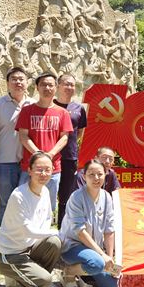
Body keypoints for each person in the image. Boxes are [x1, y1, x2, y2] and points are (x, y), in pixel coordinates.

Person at [0, 151, 63, 287]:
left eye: (47, 169)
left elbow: (45, 224)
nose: (43, 173)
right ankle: (14, 277)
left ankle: (35, 276)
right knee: (45, 280)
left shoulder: (45, 191)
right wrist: (56, 232)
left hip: (29, 248)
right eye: (39, 169)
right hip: (9, 254)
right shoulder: (19, 196)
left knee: (54, 242)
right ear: (29, 171)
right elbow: (28, 231)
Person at [16, 72, 73, 212]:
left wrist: (50, 155)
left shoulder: (62, 112)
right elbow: (23, 136)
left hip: (53, 168)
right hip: (29, 167)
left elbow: (64, 138)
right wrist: (39, 155)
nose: (47, 88)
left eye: (50, 85)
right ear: (37, 88)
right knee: (24, 206)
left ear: (56, 87)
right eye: (43, 85)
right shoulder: (27, 110)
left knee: (48, 208)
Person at [60, 159, 118, 287]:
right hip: (73, 246)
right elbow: (80, 232)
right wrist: (102, 255)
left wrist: (109, 259)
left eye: (100, 174)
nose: (96, 178)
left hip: (94, 249)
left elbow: (109, 230)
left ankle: (84, 270)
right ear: (84, 176)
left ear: (105, 175)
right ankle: (68, 273)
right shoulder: (76, 197)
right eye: (91, 174)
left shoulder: (106, 197)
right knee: (97, 264)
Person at [0, 67, 36, 227]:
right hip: (6, 161)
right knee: (6, 202)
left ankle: (22, 237)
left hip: (29, 163)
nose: (18, 82)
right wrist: (4, 146)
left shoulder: (33, 104)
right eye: (14, 79)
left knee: (27, 202)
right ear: (7, 83)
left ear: (27, 83)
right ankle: (4, 238)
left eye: (21, 79)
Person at [53, 74, 88, 228]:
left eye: (72, 85)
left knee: (66, 196)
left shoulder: (79, 108)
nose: (69, 87)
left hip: (70, 157)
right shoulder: (50, 106)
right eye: (66, 84)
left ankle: (62, 229)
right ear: (58, 86)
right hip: (51, 157)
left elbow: (79, 132)